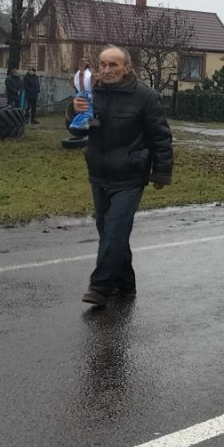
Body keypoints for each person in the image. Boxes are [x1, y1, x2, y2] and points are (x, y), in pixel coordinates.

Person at [68, 46, 173, 308]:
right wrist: (73, 111)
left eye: (113, 65)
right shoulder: (93, 93)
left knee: (115, 230)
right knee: (109, 232)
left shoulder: (146, 97)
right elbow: (78, 130)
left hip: (130, 176)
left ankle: (100, 286)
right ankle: (125, 283)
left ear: (127, 67)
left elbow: (161, 137)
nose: (107, 70)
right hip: (99, 174)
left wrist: (161, 172)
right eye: (103, 65)